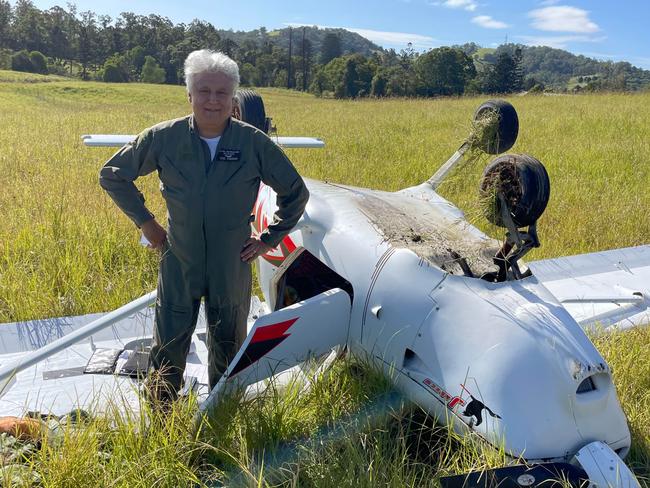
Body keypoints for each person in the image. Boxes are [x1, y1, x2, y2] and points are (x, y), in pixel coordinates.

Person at [99, 49, 309, 401]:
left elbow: (296, 193)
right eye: (204, 91)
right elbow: (113, 175)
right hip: (179, 259)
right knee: (168, 346)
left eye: (222, 92)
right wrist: (147, 224)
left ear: (233, 97)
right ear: (190, 95)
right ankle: (163, 418)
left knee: (229, 345)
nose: (213, 100)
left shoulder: (252, 143)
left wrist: (268, 239)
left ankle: (222, 414)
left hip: (232, 262)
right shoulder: (164, 138)